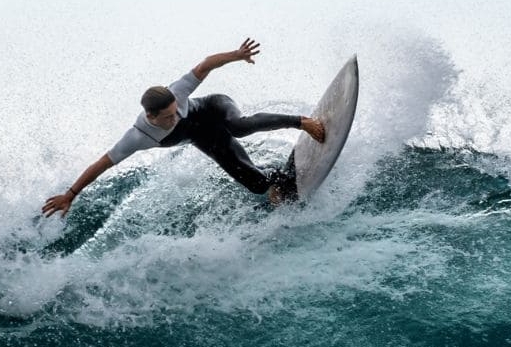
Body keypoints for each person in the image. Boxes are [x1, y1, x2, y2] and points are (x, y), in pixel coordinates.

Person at [42, 38, 325, 217]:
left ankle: (301, 122)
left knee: (238, 126)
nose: (175, 117)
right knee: (257, 185)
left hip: (216, 109)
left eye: (176, 110)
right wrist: (71, 194)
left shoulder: (176, 92)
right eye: (167, 117)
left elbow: (204, 65)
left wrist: (236, 54)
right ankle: (279, 179)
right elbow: (102, 164)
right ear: (150, 115)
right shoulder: (137, 137)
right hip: (208, 138)